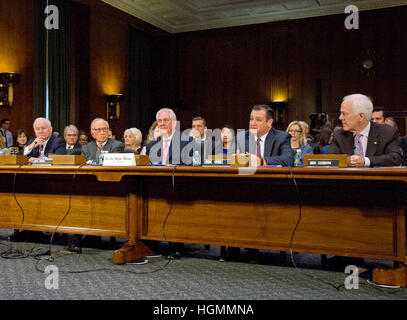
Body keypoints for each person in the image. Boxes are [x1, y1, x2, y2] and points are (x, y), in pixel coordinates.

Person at [328, 94, 402, 167]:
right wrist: (346, 161)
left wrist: (365, 161)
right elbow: (329, 161)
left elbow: (395, 158)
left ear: (361, 116)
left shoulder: (387, 133)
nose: (340, 118)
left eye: (344, 114)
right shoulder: (339, 135)